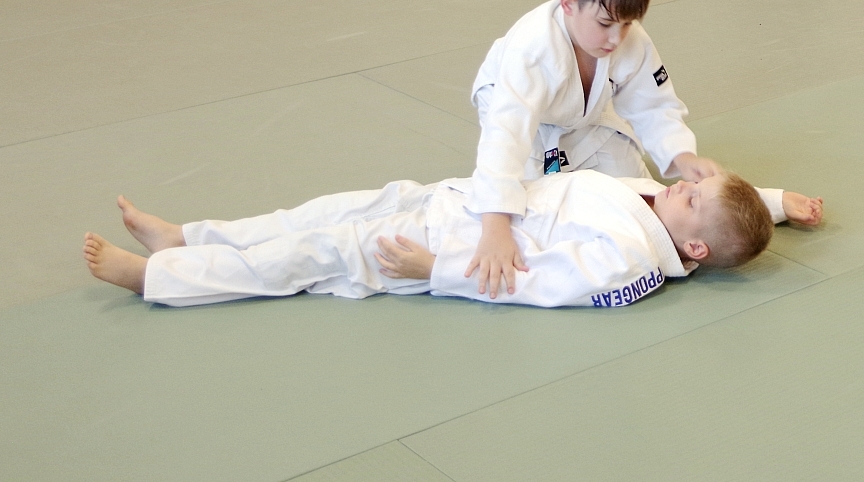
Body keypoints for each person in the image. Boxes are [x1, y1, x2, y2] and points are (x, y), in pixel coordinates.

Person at [463, 0, 819, 299]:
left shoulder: (626, 35)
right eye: (605, 23)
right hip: (530, 131)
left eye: (627, 24)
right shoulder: (531, 50)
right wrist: (494, 225)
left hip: (588, 121)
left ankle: (753, 207)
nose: (616, 39)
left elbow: (654, 104)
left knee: (643, 203)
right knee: (538, 218)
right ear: (569, 4)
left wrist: (682, 155)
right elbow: (505, 137)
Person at [83, 168, 805, 308]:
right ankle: (186, 237)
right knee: (315, 214)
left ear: (694, 248)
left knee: (310, 256)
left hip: (438, 246)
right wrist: (771, 202)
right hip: (453, 199)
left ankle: (158, 279)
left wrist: (437, 268)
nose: (682, 184)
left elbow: (537, 286)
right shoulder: (656, 204)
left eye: (692, 197)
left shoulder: (630, 259)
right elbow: (728, 212)